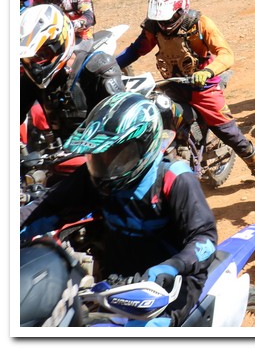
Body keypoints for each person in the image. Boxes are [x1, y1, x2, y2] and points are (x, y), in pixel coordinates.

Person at [20, 92, 218, 327]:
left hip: (171, 286)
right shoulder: (96, 176)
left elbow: (205, 239)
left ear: (144, 145)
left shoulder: (175, 179)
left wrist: (172, 266)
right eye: (100, 155)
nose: (106, 163)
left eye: (117, 154)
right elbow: (48, 207)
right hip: (118, 283)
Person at [116, 0, 255, 191]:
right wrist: (110, 66)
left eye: (169, 18)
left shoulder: (200, 24)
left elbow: (226, 54)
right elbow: (135, 50)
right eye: (160, 19)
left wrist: (207, 72)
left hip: (203, 87)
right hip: (173, 84)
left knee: (228, 132)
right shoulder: (153, 27)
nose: (164, 23)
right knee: (154, 115)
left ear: (182, 9)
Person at [19, 4, 124, 148]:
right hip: (62, 154)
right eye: (29, 59)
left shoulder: (98, 68)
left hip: (102, 154)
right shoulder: (31, 80)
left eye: (42, 55)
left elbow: (122, 122)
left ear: (60, 44)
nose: (35, 66)